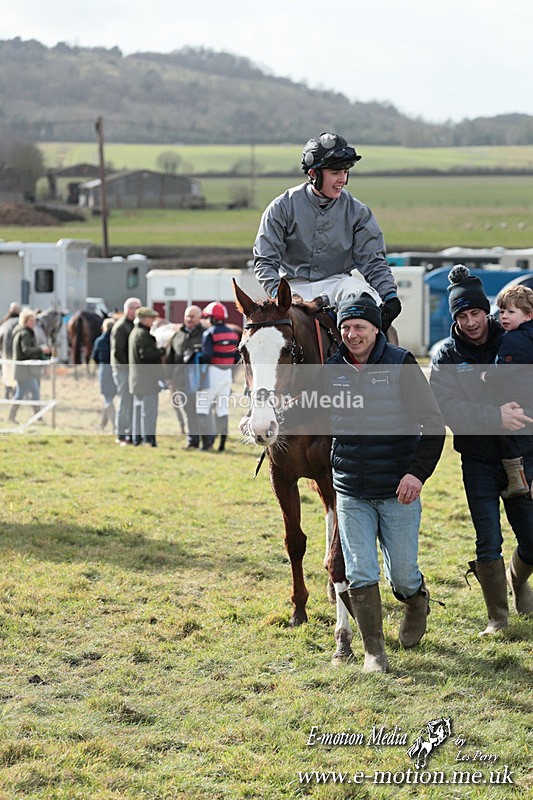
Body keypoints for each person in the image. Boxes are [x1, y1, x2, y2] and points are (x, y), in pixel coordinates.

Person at [321, 293, 445, 672]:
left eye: (359, 326)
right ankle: (374, 651)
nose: (352, 334)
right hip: (351, 489)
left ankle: (416, 600)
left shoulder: (401, 363)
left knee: (402, 575)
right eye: (345, 327)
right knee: (359, 571)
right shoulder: (330, 367)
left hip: (397, 490)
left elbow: (434, 424)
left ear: (377, 328)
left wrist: (416, 474)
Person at [430, 266, 533, 635]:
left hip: (523, 454)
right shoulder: (445, 356)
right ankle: (497, 618)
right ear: (454, 317)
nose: (471, 321)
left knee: (532, 538)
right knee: (487, 537)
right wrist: (494, 416)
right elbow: (448, 410)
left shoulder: (513, 336)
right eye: (462, 314)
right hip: (478, 460)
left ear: (485, 310)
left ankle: (518, 579)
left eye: (476, 312)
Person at [253, 131, 401, 332]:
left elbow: (373, 262)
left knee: (370, 304)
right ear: (313, 174)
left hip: (337, 284)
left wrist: (389, 296)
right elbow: (265, 261)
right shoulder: (281, 207)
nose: (342, 179)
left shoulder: (359, 212)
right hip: (292, 287)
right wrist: (280, 295)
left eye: (345, 171)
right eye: (335, 172)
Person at [481, 284, 533, 498]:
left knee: (512, 440)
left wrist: (485, 376)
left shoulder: (514, 340)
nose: (504, 316)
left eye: (511, 312)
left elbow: (501, 369)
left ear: (529, 315)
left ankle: (518, 480)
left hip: (518, 402)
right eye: (501, 311)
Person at [197, 301, 240, 452]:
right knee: (222, 409)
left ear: (212, 318)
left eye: (208, 318)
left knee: (202, 408)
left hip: (212, 373)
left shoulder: (209, 333)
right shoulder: (233, 334)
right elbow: (236, 357)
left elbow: (207, 355)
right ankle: (222, 445)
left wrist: (197, 355)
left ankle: (205, 444)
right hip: (226, 374)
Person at [165, 305, 206, 449]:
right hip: (181, 381)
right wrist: (169, 378)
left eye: (192, 316)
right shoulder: (178, 335)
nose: (189, 319)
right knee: (189, 411)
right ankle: (192, 441)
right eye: (187, 316)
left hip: (201, 382)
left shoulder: (205, 334)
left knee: (202, 412)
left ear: (199, 318)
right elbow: (170, 357)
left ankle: (207, 441)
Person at [128, 306, 163, 447]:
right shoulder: (144, 335)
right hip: (147, 381)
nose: (153, 321)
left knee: (138, 412)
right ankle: (148, 440)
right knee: (149, 413)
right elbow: (147, 355)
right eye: (151, 318)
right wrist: (160, 350)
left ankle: (138, 439)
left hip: (136, 381)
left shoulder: (134, 332)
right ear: (144, 319)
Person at [8, 308, 51, 423]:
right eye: (31, 321)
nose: (34, 323)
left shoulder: (24, 332)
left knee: (20, 394)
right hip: (25, 371)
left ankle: (11, 416)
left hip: (23, 370)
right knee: (35, 392)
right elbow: (26, 350)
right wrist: (40, 349)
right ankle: (38, 417)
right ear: (25, 321)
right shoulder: (25, 334)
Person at [110, 297, 141, 445]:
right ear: (127, 309)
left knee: (130, 401)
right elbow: (118, 352)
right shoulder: (121, 327)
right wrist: (130, 368)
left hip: (131, 370)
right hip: (123, 370)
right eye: (133, 308)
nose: (135, 311)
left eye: (138, 308)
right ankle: (121, 434)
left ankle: (130, 432)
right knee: (125, 401)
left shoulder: (134, 325)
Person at [91, 317, 117, 432]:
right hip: (116, 369)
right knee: (109, 398)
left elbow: (94, 357)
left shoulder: (99, 341)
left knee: (107, 400)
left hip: (104, 370)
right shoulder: (116, 340)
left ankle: (116, 425)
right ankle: (102, 424)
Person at [0, 302, 22, 400]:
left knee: (6, 371)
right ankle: (15, 393)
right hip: (15, 353)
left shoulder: (4, 323)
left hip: (4, 353)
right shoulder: (19, 323)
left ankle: (8, 393)